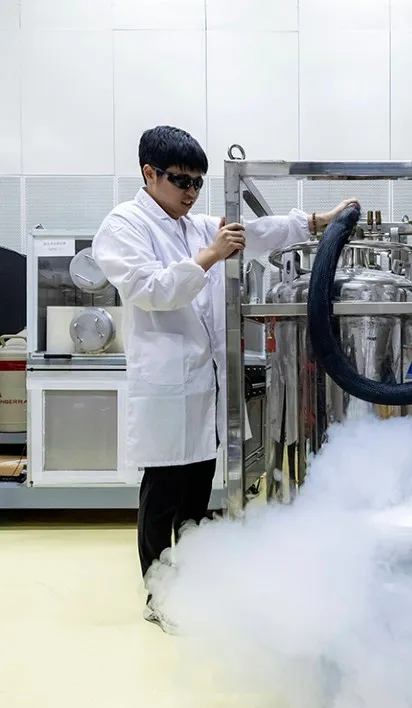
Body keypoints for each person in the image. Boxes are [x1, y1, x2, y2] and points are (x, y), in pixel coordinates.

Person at [93, 125, 356, 632]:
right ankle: (157, 591)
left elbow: (259, 233)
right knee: (163, 491)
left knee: (197, 490)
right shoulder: (124, 225)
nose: (191, 192)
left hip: (208, 383)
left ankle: (191, 581)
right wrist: (211, 255)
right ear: (149, 173)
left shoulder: (193, 224)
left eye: (197, 183)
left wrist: (317, 222)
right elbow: (151, 289)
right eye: (180, 181)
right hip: (168, 383)